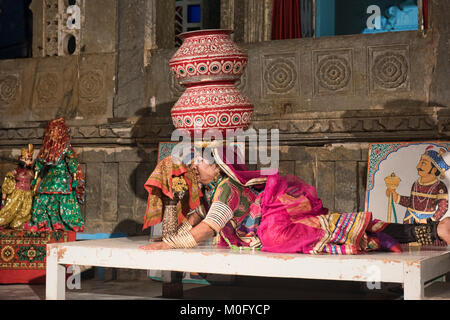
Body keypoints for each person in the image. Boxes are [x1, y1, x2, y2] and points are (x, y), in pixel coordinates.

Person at [140, 144, 450, 253]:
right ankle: (435, 231)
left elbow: (208, 227)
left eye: (200, 161)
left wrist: (168, 244)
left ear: (219, 166)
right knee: (350, 230)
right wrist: (174, 196)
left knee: (345, 228)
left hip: (278, 230)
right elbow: (195, 218)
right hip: (275, 229)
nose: (195, 165)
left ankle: (437, 229)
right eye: (193, 160)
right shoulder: (210, 191)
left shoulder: (226, 189)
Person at [24, 118, 85, 232]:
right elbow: (39, 163)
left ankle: (59, 223)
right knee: (42, 199)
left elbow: (73, 162)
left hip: (62, 178)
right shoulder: (47, 148)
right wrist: (36, 177)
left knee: (60, 200)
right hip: (48, 178)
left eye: (55, 130)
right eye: (51, 131)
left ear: (61, 131)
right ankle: (44, 222)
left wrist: (75, 177)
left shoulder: (66, 147)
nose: (53, 133)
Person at [386, 147, 449, 224]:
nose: (418, 166)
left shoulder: (440, 186)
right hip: (409, 219)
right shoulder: (416, 183)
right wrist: (396, 197)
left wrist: (429, 220)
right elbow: (413, 202)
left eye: (423, 163)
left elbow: (443, 208)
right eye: (420, 162)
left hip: (426, 223)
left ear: (434, 169)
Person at [0, 144, 35, 229]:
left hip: (27, 196)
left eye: (30, 159)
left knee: (24, 214)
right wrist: (3, 199)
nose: (28, 161)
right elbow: (7, 182)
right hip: (17, 194)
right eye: (26, 159)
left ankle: (19, 224)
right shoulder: (16, 171)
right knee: (10, 211)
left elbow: (34, 183)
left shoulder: (32, 172)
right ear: (21, 159)